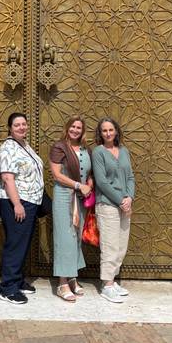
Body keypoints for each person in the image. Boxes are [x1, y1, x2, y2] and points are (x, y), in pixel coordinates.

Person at [0, 112, 44, 304]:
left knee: (22, 242)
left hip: (29, 200)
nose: (21, 127)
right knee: (16, 244)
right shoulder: (8, 147)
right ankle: (7, 288)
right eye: (17, 125)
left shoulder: (23, 145)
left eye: (24, 124)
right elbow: (7, 177)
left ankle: (17, 279)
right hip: (16, 201)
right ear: (10, 127)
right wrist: (16, 204)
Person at [92, 117, 135, 303]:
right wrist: (120, 200)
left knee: (121, 246)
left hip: (125, 204)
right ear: (100, 134)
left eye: (111, 130)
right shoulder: (98, 152)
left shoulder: (124, 151)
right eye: (104, 131)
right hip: (108, 204)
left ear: (116, 131)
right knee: (109, 245)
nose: (108, 133)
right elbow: (101, 181)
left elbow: (131, 176)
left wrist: (129, 198)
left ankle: (113, 279)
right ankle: (107, 285)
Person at [49, 117, 92, 302]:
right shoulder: (59, 147)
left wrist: (89, 185)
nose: (75, 130)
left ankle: (73, 277)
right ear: (67, 128)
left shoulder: (86, 149)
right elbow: (57, 175)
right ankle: (62, 282)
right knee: (64, 237)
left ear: (83, 131)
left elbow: (90, 173)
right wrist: (77, 185)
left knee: (76, 237)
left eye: (79, 128)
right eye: (73, 127)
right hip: (64, 196)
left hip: (81, 198)